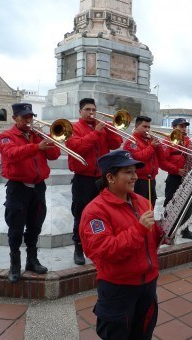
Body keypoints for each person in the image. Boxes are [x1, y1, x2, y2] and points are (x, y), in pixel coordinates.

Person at [79, 150, 164, 340]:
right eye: (128, 172)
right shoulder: (95, 211)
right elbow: (103, 251)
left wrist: (162, 233)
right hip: (119, 289)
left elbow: (149, 239)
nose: (135, 177)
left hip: (148, 284)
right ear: (110, 177)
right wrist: (139, 229)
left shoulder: (142, 202)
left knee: (143, 335)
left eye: (134, 171)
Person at [0, 103, 61, 283]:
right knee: (16, 227)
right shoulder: (6, 136)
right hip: (18, 187)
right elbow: (11, 154)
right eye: (24, 117)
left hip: (38, 186)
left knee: (35, 225)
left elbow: (55, 155)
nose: (28, 120)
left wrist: (48, 139)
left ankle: (32, 260)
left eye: (30, 116)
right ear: (15, 118)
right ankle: (14, 264)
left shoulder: (37, 135)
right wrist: (36, 147)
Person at [66, 98, 123, 265]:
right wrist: (96, 132)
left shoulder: (102, 127)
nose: (91, 113)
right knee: (81, 213)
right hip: (83, 178)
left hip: (102, 178)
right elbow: (78, 147)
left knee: (103, 213)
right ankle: (78, 246)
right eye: (87, 110)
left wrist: (110, 129)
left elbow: (117, 143)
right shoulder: (73, 128)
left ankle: (100, 246)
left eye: (93, 110)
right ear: (80, 112)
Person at [161, 118, 192, 239]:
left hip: (186, 177)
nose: (183, 128)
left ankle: (184, 229)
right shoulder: (168, 140)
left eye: (185, 126)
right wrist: (177, 170)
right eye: (181, 126)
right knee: (170, 203)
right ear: (174, 127)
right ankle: (165, 230)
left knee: (186, 202)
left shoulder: (188, 141)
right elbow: (162, 162)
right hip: (174, 177)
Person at [123, 115, 164, 207]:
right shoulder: (132, 141)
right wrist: (152, 146)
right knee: (139, 206)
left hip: (151, 179)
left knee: (151, 206)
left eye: (149, 127)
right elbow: (138, 158)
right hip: (139, 180)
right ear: (137, 126)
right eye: (144, 126)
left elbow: (162, 158)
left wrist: (158, 146)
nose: (147, 129)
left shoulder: (150, 141)